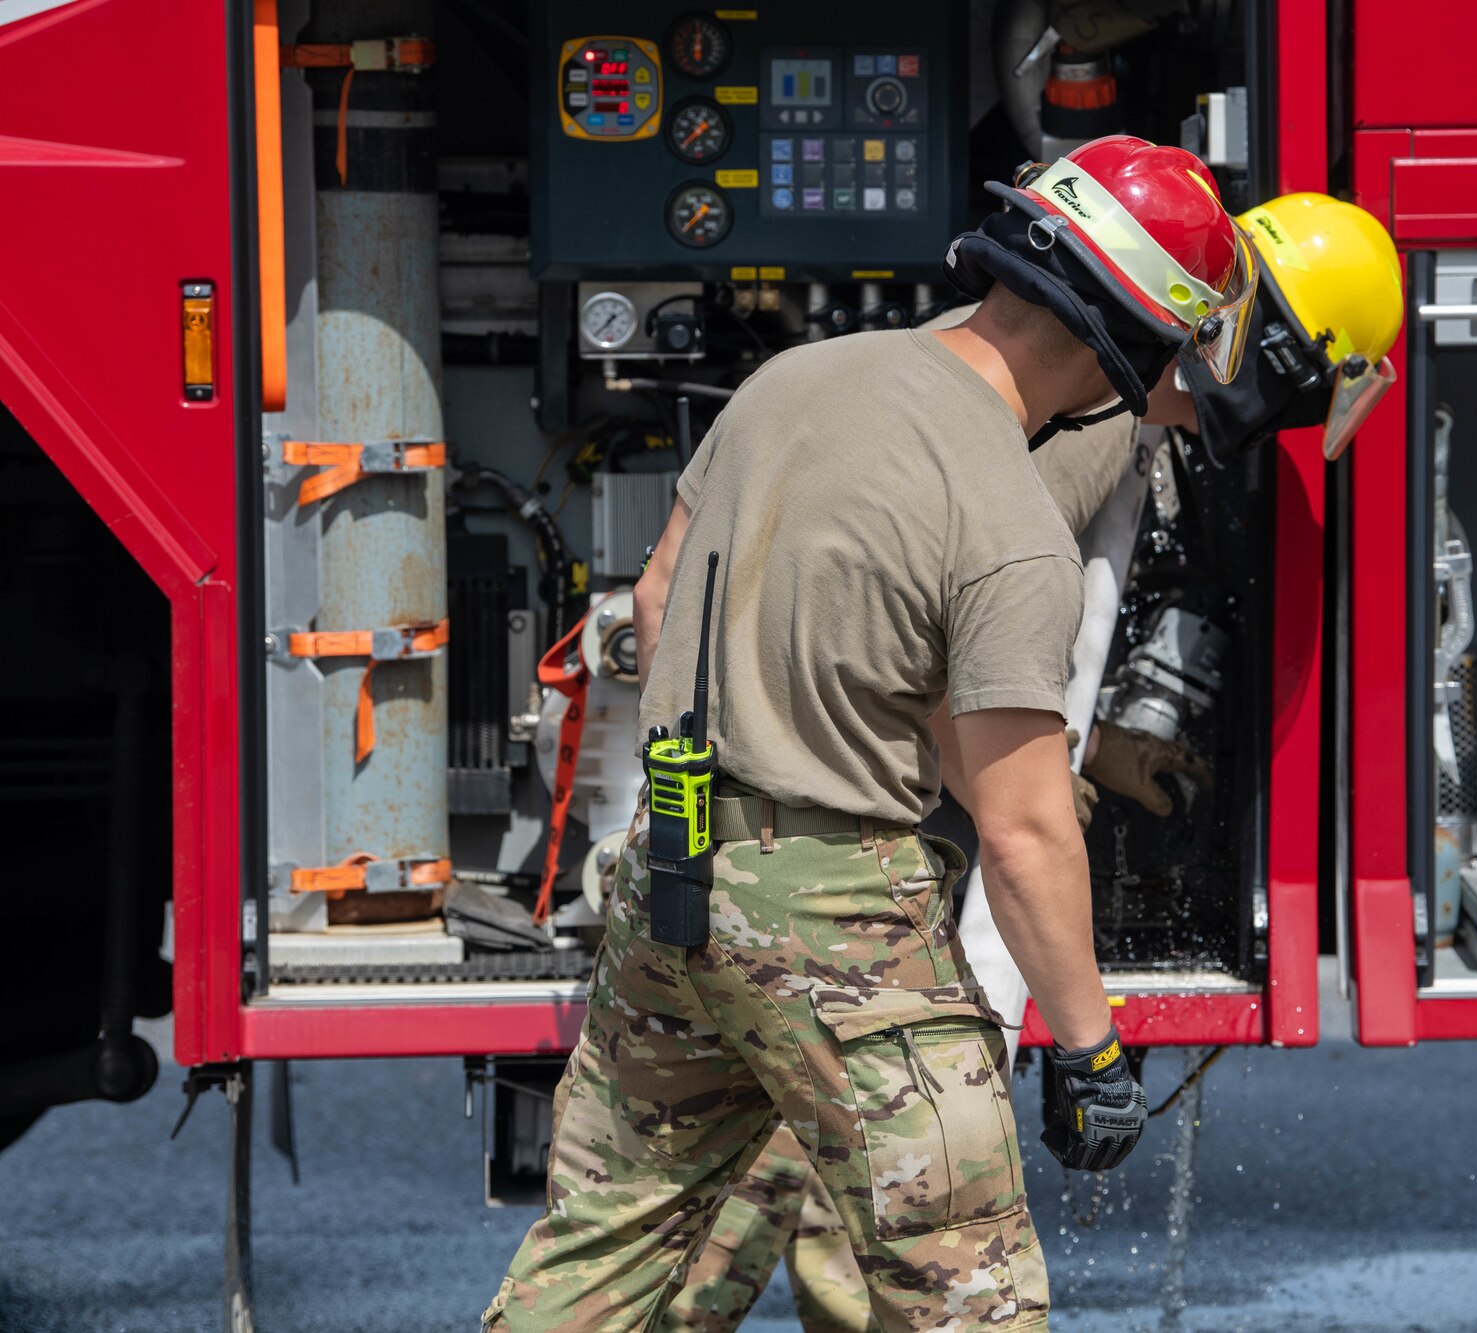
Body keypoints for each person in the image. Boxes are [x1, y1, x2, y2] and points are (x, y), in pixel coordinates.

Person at [481, 134, 1257, 1333]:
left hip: (671, 867)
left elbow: (656, 598)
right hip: (838, 920)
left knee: (607, 1248)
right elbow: (1021, 828)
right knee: (965, 1291)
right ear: (1131, 344)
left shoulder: (801, 378)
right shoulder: (1008, 524)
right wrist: (1092, 1053)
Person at [645, 190, 1406, 1333]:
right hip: (864, 867)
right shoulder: (1085, 422)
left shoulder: (1033, 385)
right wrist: (1086, 1029)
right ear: (1264, 357)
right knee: (919, 1235)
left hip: (716, 840)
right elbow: (958, 665)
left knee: (689, 1205)